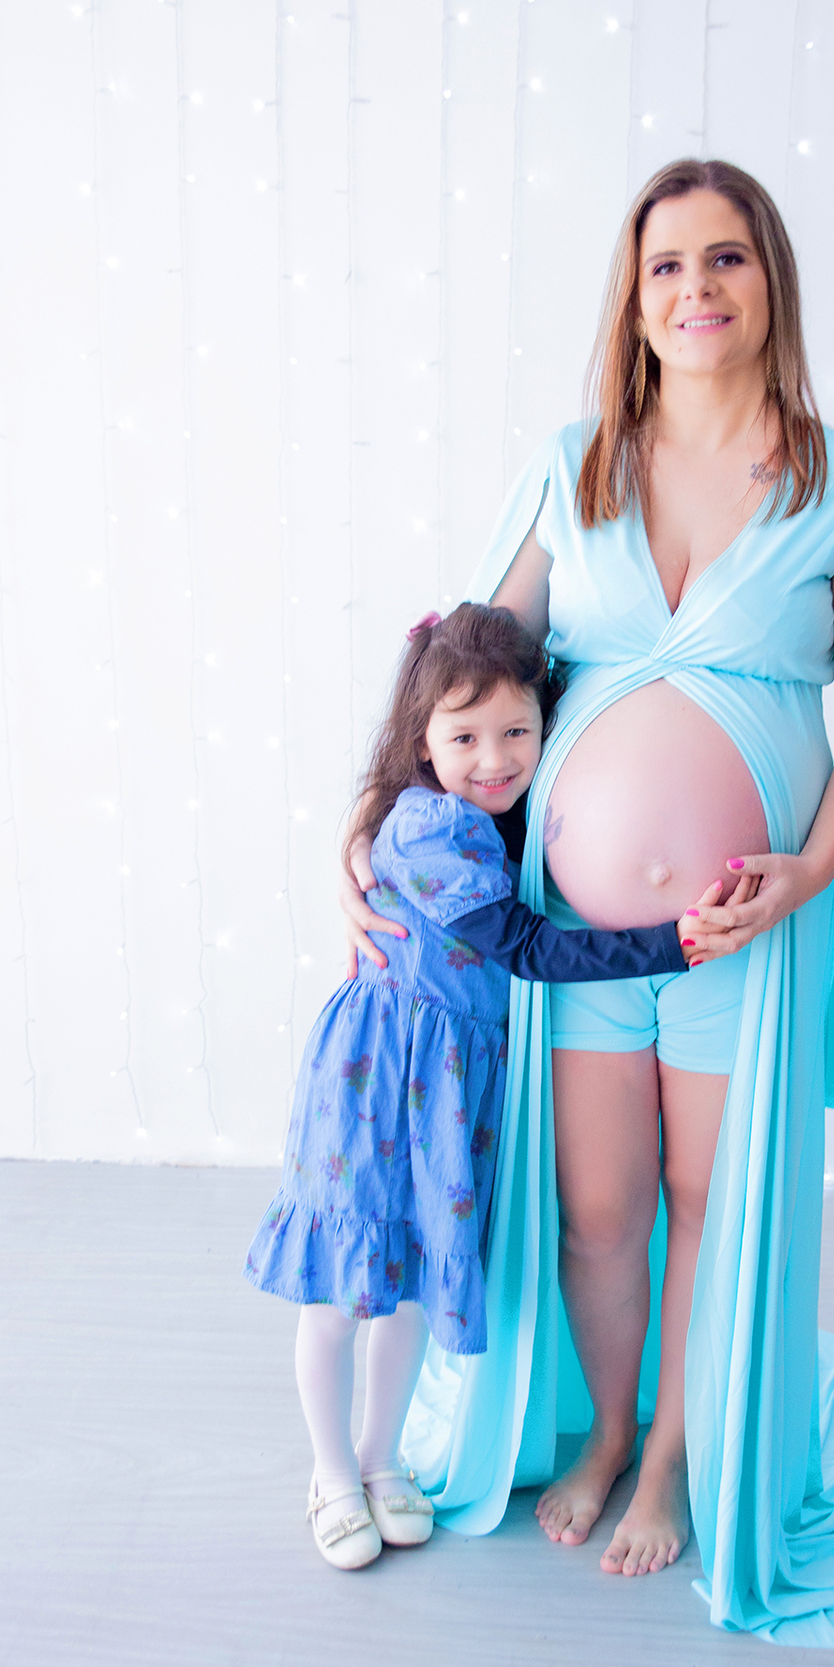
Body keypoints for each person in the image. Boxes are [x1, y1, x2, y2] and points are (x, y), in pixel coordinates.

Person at [342, 159, 834, 1644]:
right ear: (632, 301)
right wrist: (369, 836)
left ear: (770, 280)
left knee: (711, 1202)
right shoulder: (576, 464)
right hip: (568, 946)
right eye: (665, 268)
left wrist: (810, 869)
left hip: (736, 933)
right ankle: (592, 1429)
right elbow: (460, 671)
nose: (695, 290)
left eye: (725, 260)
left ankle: (667, 1456)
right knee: (596, 1211)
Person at [246, 602, 722, 1570]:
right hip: (382, 1075)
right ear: (421, 742)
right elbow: (526, 948)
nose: (495, 758)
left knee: (413, 1282)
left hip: (452, 1085)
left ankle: (381, 1462)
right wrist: (674, 940)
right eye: (465, 737)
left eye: (517, 732)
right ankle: (330, 1471)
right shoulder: (429, 833)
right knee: (342, 1288)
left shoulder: (488, 823)